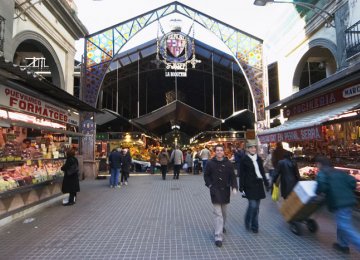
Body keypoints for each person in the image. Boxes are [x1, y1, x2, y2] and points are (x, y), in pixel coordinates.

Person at [315, 156, 360, 254]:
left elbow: (321, 186)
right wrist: (346, 190)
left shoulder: (322, 173)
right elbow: (353, 181)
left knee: (344, 226)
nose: (317, 166)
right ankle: (343, 245)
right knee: (342, 223)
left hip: (339, 202)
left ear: (320, 164)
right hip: (349, 201)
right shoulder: (339, 172)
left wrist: (316, 193)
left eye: (317, 164)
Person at [204, 144, 238, 248]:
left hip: (225, 191)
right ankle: (218, 236)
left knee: (224, 213)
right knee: (218, 214)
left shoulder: (228, 163)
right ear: (215, 152)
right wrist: (209, 185)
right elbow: (206, 175)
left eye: (221, 150)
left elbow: (233, 176)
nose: (219, 152)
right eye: (217, 150)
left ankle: (222, 226)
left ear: (224, 152)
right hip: (215, 191)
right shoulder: (210, 163)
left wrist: (234, 187)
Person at [239, 140, 269, 233]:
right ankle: (247, 219)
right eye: (251, 147)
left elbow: (262, 171)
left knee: (257, 207)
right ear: (247, 149)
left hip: (259, 185)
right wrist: (241, 187)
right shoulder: (244, 159)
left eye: (254, 147)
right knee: (253, 205)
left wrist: (266, 182)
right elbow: (242, 174)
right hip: (249, 186)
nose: (253, 149)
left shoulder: (259, 159)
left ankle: (255, 226)